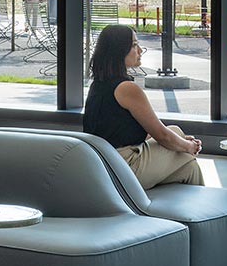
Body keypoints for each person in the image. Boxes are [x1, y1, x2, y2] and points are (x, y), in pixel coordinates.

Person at [81, 24, 204, 188]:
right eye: (133, 45)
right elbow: (162, 136)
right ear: (119, 50)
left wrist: (180, 141)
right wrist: (189, 146)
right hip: (124, 167)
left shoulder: (98, 85)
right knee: (181, 146)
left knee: (189, 166)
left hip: (103, 164)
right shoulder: (127, 89)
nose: (140, 50)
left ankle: (193, 211)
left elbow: (127, 131)